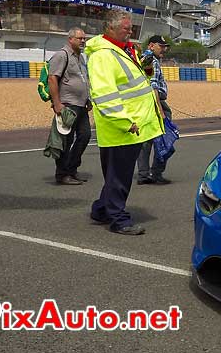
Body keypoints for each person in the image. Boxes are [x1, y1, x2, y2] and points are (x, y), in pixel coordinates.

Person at [86, 12, 163, 235]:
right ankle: (119, 219)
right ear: (110, 28)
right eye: (126, 28)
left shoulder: (122, 51)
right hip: (122, 128)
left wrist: (145, 67)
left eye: (131, 28)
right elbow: (104, 94)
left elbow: (134, 82)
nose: (131, 32)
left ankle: (101, 209)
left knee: (116, 174)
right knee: (120, 176)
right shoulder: (103, 56)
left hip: (131, 126)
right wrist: (124, 121)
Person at [47, 28, 91, 185]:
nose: (83, 41)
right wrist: (57, 103)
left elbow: (84, 79)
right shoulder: (62, 55)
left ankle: (72, 169)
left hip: (81, 105)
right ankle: (62, 173)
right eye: (80, 38)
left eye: (84, 38)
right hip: (67, 105)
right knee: (66, 140)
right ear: (70, 39)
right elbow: (52, 79)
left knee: (85, 136)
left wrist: (88, 98)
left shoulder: (80, 58)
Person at [136, 35, 173, 185]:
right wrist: (160, 110)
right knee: (165, 139)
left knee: (146, 141)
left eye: (165, 46)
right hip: (155, 103)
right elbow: (153, 87)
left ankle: (143, 174)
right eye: (161, 46)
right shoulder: (152, 61)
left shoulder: (143, 58)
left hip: (144, 104)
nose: (164, 49)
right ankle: (157, 172)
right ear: (151, 46)